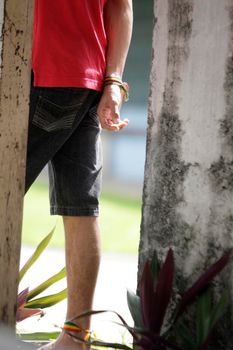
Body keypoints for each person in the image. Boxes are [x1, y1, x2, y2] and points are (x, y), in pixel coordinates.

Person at [25, 1, 133, 349]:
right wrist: (113, 81)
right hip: (88, 82)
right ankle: (76, 337)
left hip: (43, 73)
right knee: (81, 208)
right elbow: (122, 6)